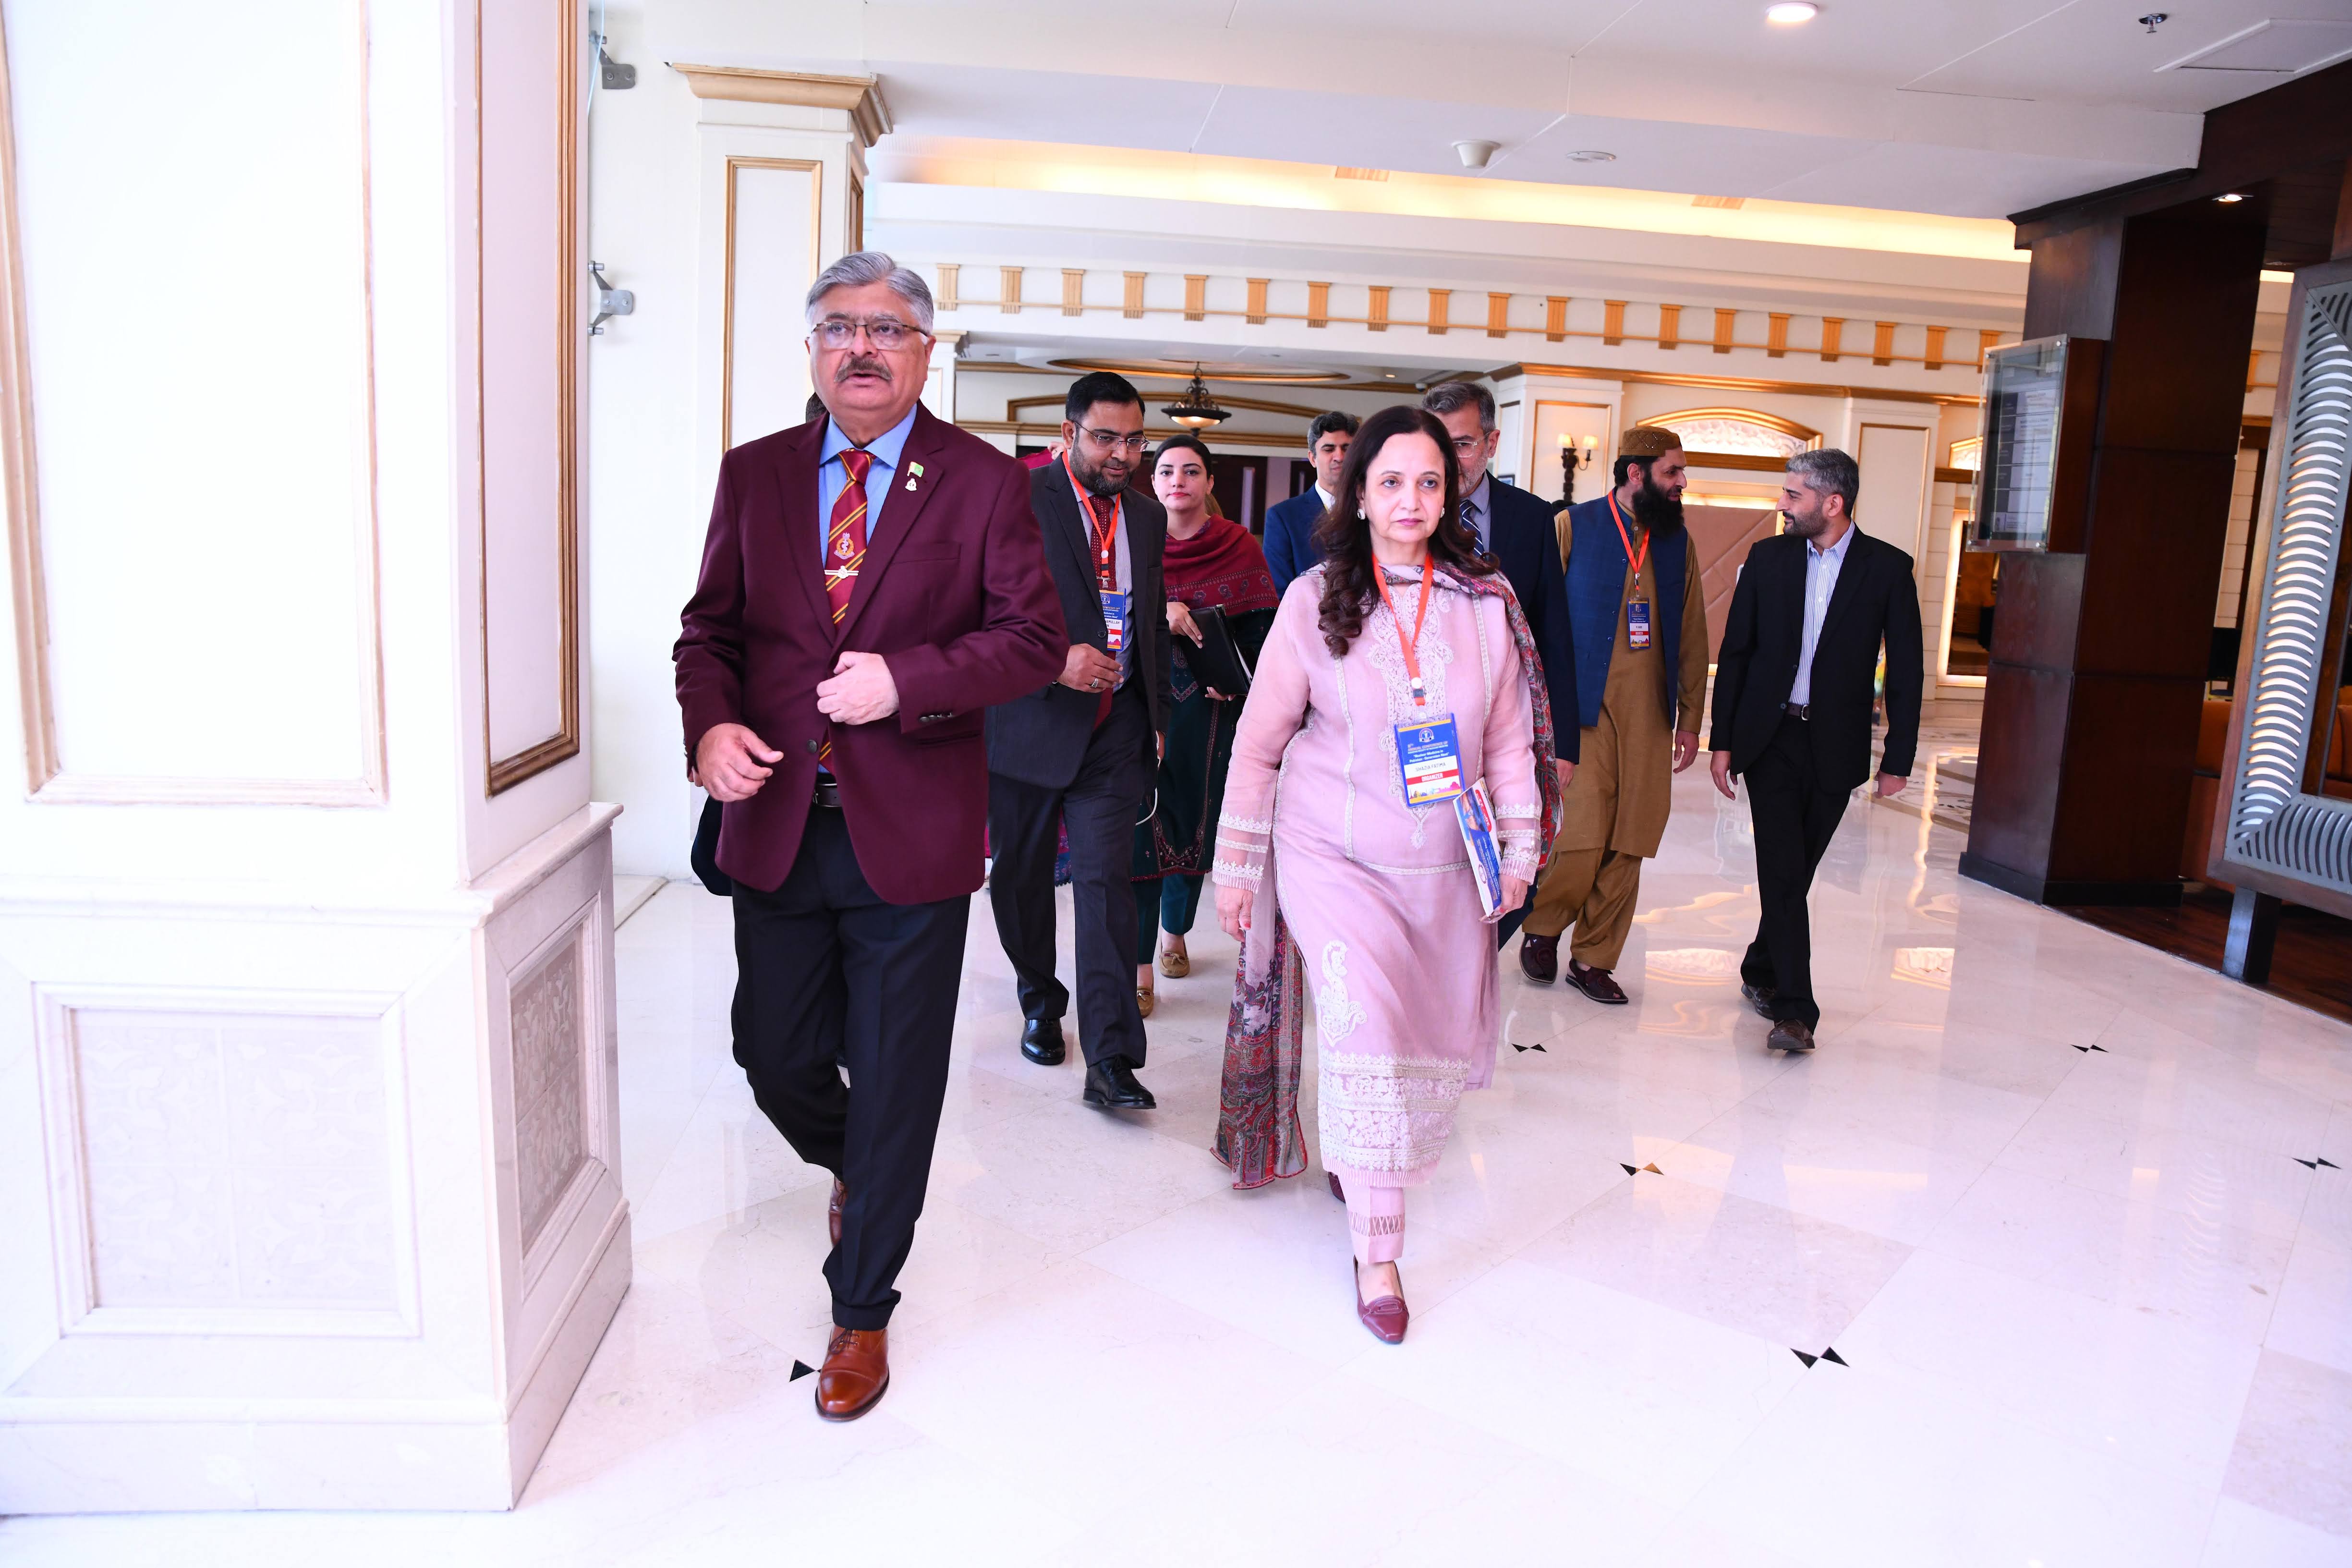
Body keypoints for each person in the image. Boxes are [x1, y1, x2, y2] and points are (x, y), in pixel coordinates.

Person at [675, 252, 1066, 1422]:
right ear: (810, 349)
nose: (861, 346)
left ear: (923, 352)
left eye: (887, 328)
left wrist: (907, 680)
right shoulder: (753, 474)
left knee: (899, 1074)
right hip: (777, 821)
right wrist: (710, 729)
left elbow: (1031, 640)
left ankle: (862, 1307)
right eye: (839, 326)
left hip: (912, 832)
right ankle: (857, 1159)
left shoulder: (982, 482)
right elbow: (708, 634)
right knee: (772, 1054)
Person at [1210, 405, 1562, 1344]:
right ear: (1358, 494)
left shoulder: (1484, 606)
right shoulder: (1312, 599)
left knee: (1416, 1045)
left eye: (1429, 482)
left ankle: (1365, 1159)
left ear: (1450, 495)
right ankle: (1378, 1251)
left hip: (1444, 865)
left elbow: (1506, 746)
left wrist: (1519, 850)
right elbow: (1259, 744)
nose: (1411, 500)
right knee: (1364, 1034)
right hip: (1331, 855)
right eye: (1391, 481)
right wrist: (1237, 869)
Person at [986, 371, 1173, 1109]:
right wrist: (1052, 659)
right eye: (1105, 438)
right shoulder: (1016, 497)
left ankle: (1111, 1059)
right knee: (1022, 877)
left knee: (1104, 882)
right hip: (1029, 719)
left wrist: (1155, 716)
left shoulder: (1146, 516)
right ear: (1068, 434)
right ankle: (1039, 997)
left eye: (1134, 440)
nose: (1122, 454)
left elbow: (1149, 617)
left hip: (1115, 725)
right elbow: (977, 607)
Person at [1709, 448, 1922, 1053]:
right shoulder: (1767, 558)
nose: (1781, 504)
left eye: (1792, 494)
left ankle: (1759, 964)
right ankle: (1795, 1011)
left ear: (1832, 503)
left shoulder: (1887, 569)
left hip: (1836, 745)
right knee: (1781, 868)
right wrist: (1722, 741)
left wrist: (1897, 758)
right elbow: (1736, 654)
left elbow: (1906, 669)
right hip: (1770, 738)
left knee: (1792, 873)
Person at [1516, 425, 1709, 1003]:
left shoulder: (1677, 541)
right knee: (1578, 834)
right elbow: (1534, 621)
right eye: (1672, 472)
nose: (1681, 483)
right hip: (1581, 712)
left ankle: (1594, 958)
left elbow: (1693, 633)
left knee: (1631, 837)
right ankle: (1543, 929)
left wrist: (1691, 718)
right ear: (1635, 473)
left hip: (1648, 714)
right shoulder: (1572, 525)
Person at [1420, 381, 1581, 946]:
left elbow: (1552, 631)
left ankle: (1474, 956)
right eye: (1437, 444)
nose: (1447, 460)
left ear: (1490, 443)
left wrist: (1563, 743)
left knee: (1516, 861)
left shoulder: (1531, 518)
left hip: (1508, 720)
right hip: (1427, 718)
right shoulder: (1409, 511)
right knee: (1434, 853)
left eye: (1461, 444)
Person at [1132, 435, 1278, 1015]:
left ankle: (1174, 932)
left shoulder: (1237, 546)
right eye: (1166, 470)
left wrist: (1238, 680)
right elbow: (1101, 612)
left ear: (1210, 482)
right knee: (1141, 830)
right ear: (1152, 480)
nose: (1178, 481)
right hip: (1140, 706)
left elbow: (1264, 634)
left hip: (1211, 711)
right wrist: (1160, 611)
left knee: (1193, 827)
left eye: (1191, 471)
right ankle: (1138, 965)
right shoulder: (1131, 538)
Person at [1263, 410, 1358, 597]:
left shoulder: (1376, 510)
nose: (1339, 457)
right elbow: (1278, 593)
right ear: (1313, 458)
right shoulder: (1283, 517)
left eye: (1347, 448)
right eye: (1329, 449)